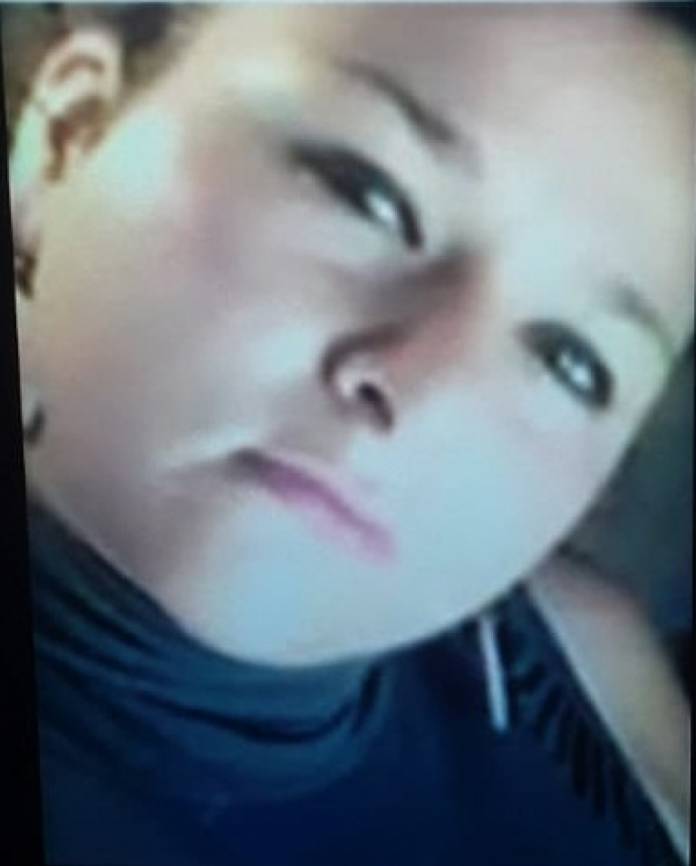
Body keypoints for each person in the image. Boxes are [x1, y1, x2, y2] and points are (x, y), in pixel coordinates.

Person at [5, 4, 692, 864]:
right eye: (367, 193)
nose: (433, 395)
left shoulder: (586, 652)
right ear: (68, 141)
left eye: (573, 362)